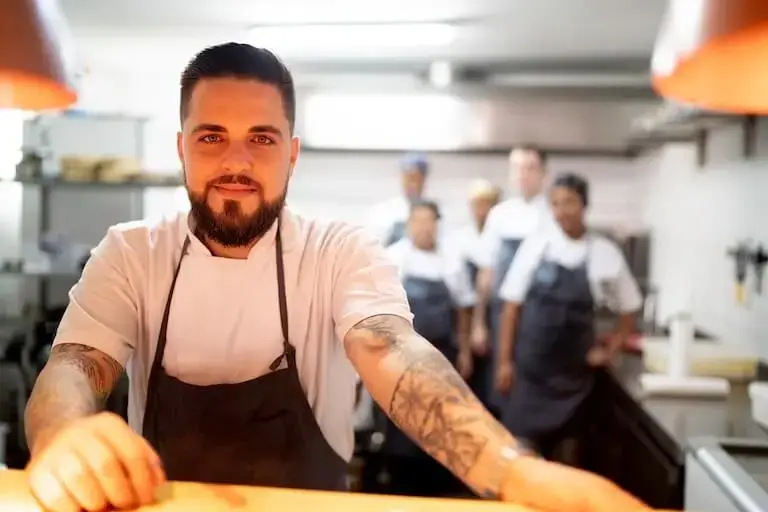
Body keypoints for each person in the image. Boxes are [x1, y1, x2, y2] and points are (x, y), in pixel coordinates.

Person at [22, 43, 650, 512]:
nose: (237, 162)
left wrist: (511, 470)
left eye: (261, 139)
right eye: (212, 137)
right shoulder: (132, 253)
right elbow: (74, 365)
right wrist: (61, 435)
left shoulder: (338, 251)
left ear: (291, 154)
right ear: (182, 148)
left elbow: (393, 353)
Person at [495, 173, 642, 462]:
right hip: (531, 375)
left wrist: (611, 350)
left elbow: (630, 307)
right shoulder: (536, 246)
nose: (561, 211)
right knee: (521, 460)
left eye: (569, 202)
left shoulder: (604, 253)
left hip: (574, 381)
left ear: (584, 205)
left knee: (568, 460)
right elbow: (511, 308)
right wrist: (504, 363)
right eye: (556, 203)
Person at [380, 200, 475, 496]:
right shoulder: (393, 256)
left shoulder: (451, 259)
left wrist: (465, 350)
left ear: (437, 225)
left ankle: (437, 488)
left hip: (441, 355)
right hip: (401, 356)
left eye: (429, 221)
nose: (424, 227)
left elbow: (464, 307)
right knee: (401, 421)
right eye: (418, 221)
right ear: (409, 225)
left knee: (440, 420)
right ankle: (399, 485)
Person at [471, 145, 553, 414]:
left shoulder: (553, 214)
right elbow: (486, 272)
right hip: (501, 318)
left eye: (530, 168)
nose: (523, 174)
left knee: (536, 394)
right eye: (517, 168)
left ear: (543, 172)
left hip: (541, 319)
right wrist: (479, 323)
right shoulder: (500, 214)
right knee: (503, 388)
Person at [451, 179, 502, 406]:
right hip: (466, 316)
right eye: (477, 204)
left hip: (496, 314)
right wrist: (473, 326)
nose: (482, 210)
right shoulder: (460, 238)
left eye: (487, 203)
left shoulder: (501, 237)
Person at [367, 153, 428, 247]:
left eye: (416, 178)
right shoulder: (384, 210)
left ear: (423, 180)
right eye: (408, 178)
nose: (412, 184)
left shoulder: (432, 213)